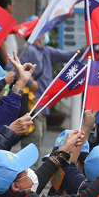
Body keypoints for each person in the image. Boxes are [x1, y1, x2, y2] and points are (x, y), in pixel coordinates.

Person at [15, 20, 75, 152]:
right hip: (32, 104)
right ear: (38, 34)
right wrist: (30, 82)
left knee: (38, 139)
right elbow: (12, 69)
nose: (46, 34)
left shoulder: (46, 50)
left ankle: (31, 171)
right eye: (44, 31)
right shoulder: (28, 50)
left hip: (42, 104)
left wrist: (86, 48)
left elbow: (67, 56)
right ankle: (28, 172)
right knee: (33, 141)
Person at [0, 0, 18, 69]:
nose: (13, 7)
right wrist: (8, 64)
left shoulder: (2, 19)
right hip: (3, 64)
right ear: (8, 5)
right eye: (13, 5)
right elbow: (1, 43)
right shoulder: (2, 20)